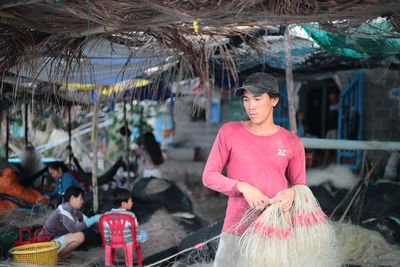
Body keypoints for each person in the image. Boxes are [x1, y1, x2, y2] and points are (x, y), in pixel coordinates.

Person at [202, 72, 306, 266]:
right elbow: (209, 176)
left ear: (274, 100)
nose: (251, 106)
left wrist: (292, 194)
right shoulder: (229, 132)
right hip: (236, 228)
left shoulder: (292, 142)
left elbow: (300, 185)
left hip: (276, 229)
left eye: (257, 99)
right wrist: (242, 186)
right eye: (246, 99)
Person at [43, 186, 101, 257]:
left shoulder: (76, 211)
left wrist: (102, 227)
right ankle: (57, 258)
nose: (82, 201)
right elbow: (73, 229)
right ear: (73, 198)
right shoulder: (64, 210)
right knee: (79, 236)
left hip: (56, 240)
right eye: (81, 199)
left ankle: (59, 256)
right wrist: (94, 218)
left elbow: (89, 223)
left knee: (82, 233)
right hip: (46, 244)